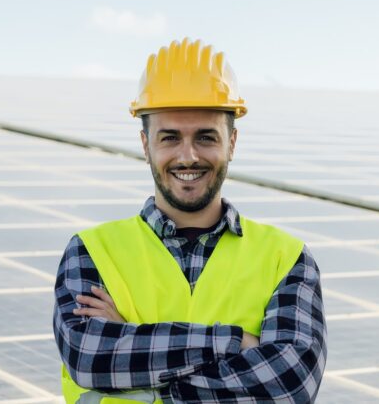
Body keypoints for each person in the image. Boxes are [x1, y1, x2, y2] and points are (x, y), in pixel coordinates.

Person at [53, 38, 326, 403]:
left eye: (206, 137)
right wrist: (236, 342)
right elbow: (89, 358)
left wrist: (138, 360)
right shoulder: (89, 251)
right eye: (169, 138)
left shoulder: (286, 258)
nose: (188, 156)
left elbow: (289, 384)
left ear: (232, 142)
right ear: (145, 143)